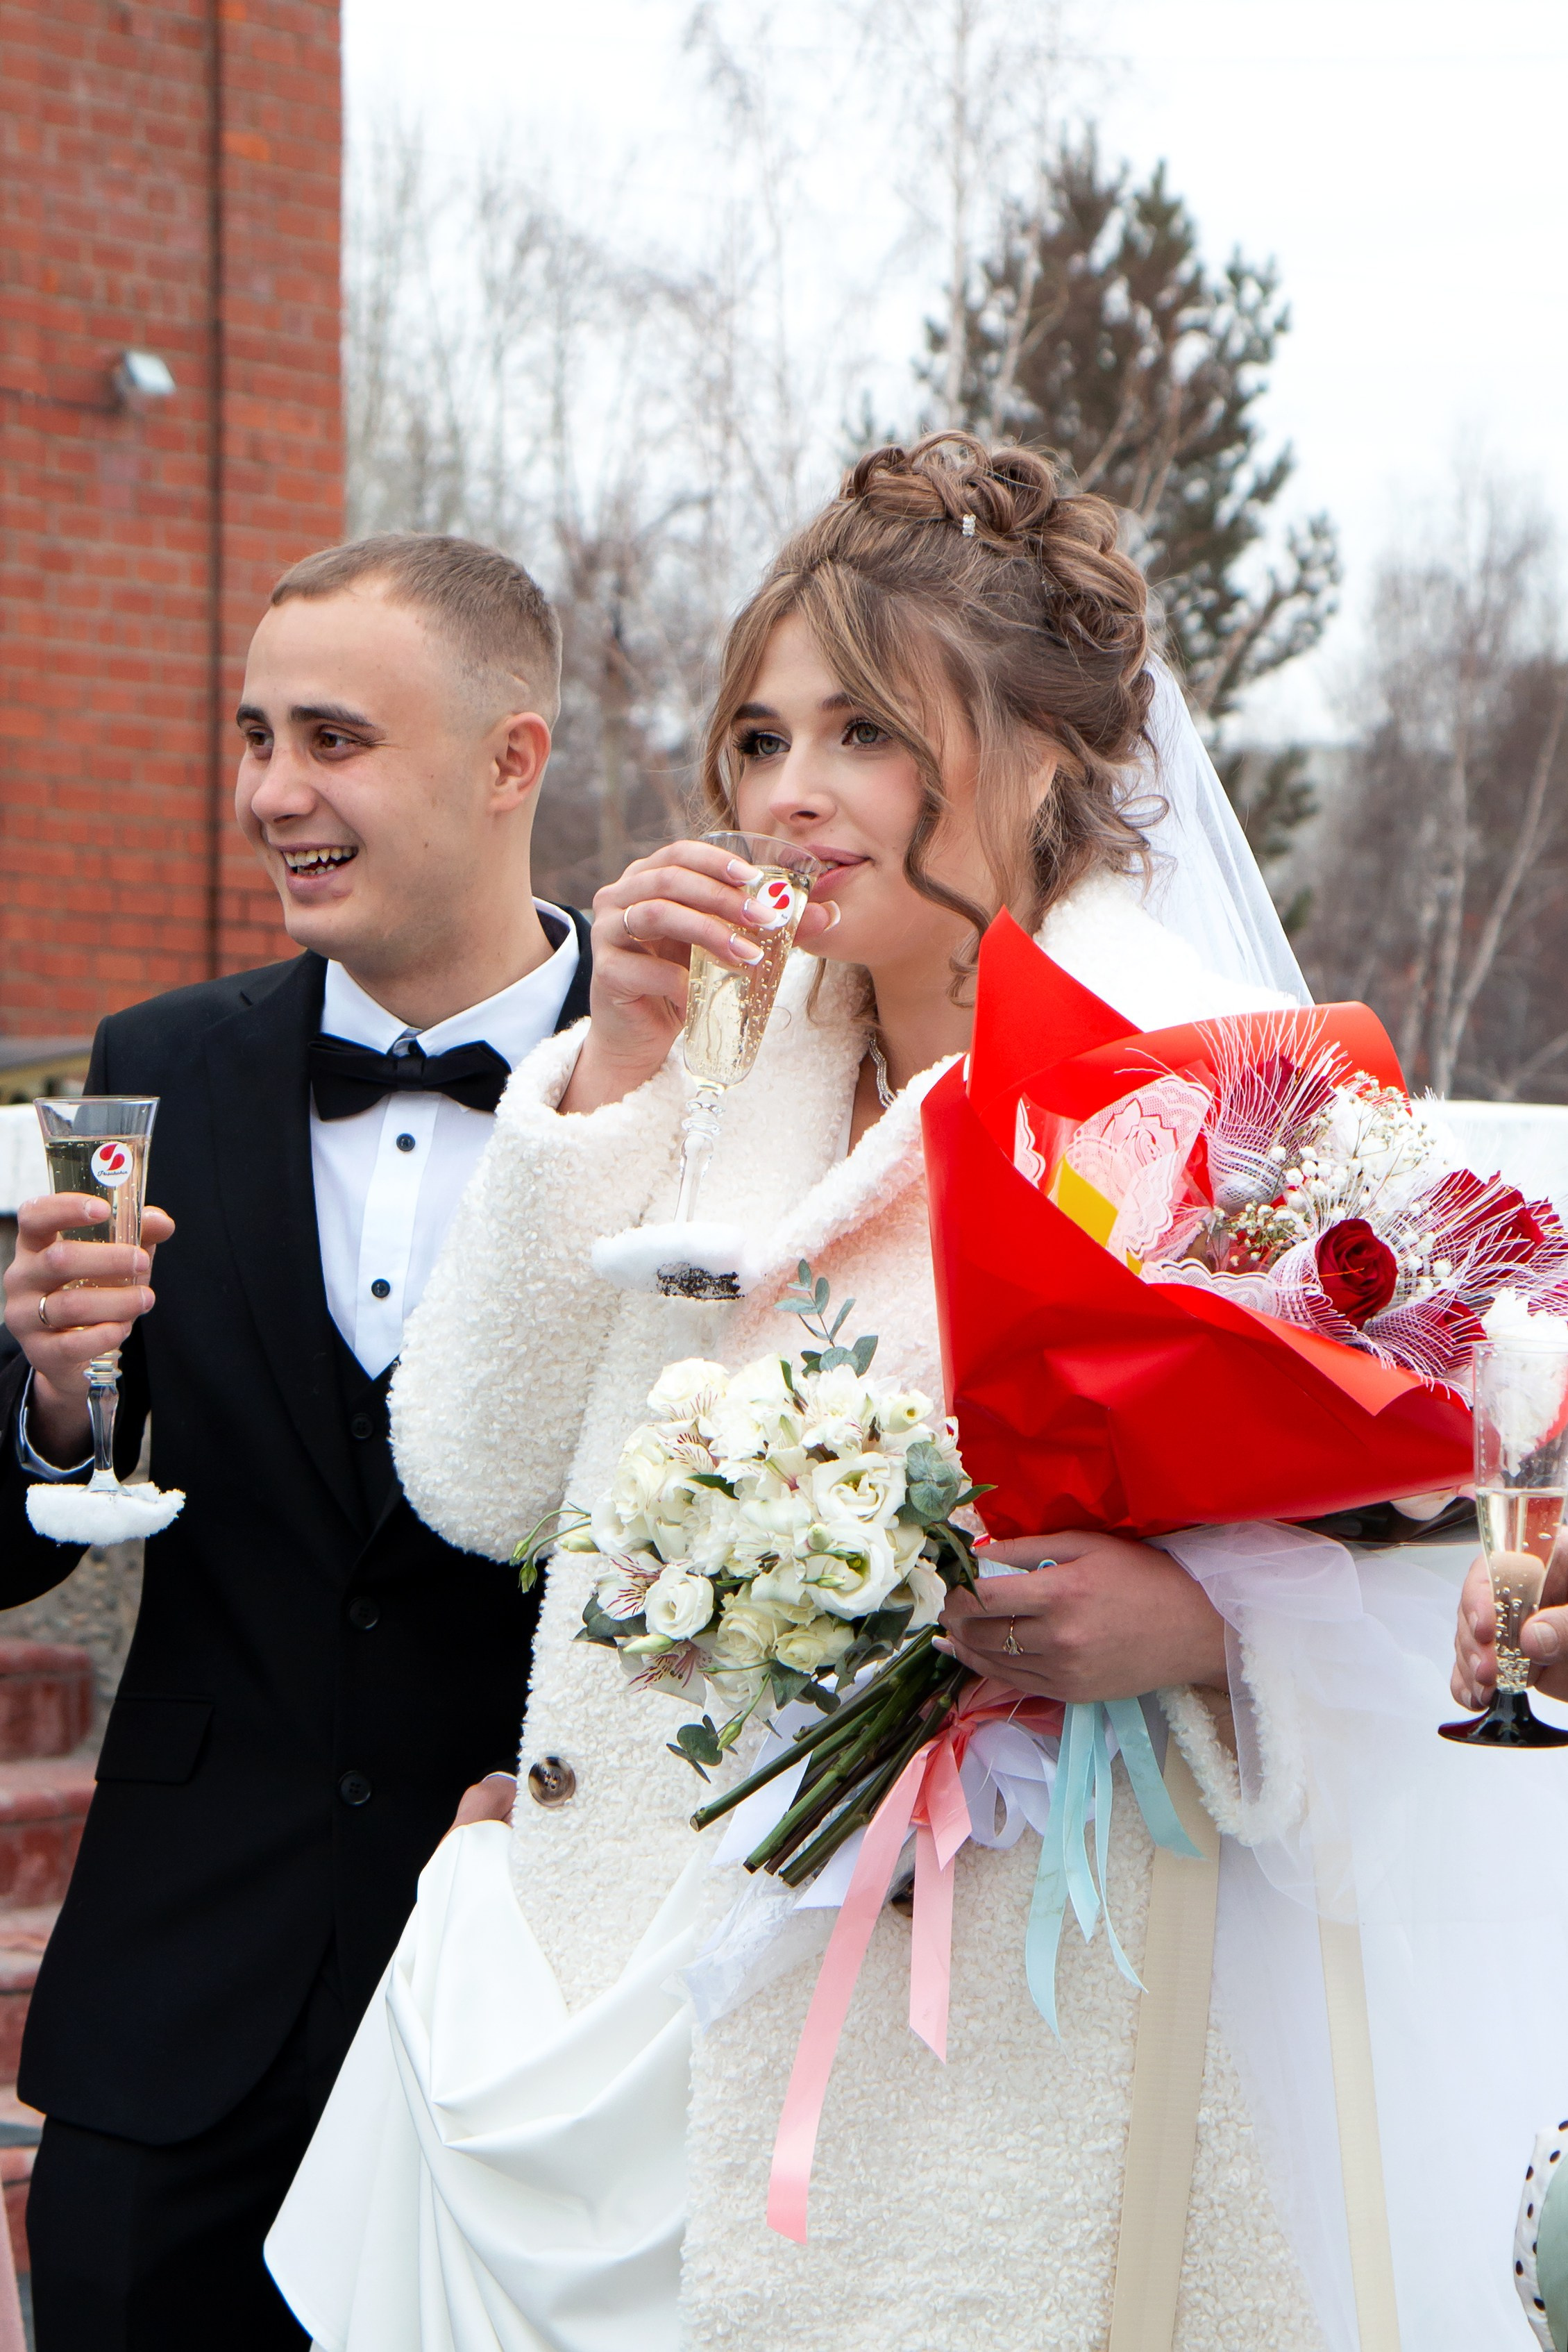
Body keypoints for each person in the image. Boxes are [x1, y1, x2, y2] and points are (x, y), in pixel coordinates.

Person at [269, 437, 1365, 2350]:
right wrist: (604, 1075)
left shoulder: (1207, 1096)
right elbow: (470, 1469)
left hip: (968, 2040)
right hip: (602, 2017)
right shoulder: (718, 1039)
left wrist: (1190, 1625)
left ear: (1040, 750)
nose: (786, 796)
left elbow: (1432, 1592)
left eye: (861, 731)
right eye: (756, 738)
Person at [0, 534, 591, 2350]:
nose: (271, 793)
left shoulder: (669, 1088)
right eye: (255, 736)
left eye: (332, 738)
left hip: (531, 2028)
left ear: (512, 758)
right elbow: (28, 1537)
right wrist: (52, 1391)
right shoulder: (150, 1059)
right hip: (173, 2028)